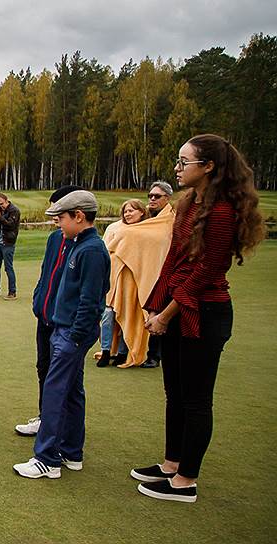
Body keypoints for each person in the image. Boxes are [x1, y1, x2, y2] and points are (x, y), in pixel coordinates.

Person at [132, 134, 264, 502]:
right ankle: (172, 464)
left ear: (208, 167)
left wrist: (167, 314)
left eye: (183, 162)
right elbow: (174, 261)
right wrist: (154, 307)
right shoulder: (189, 203)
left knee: (195, 399)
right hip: (176, 309)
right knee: (174, 393)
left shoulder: (221, 211)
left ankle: (186, 480)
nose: (177, 168)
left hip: (203, 314)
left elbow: (204, 272)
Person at [13, 190, 109, 479]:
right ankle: (71, 452)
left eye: (62, 218)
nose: (58, 224)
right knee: (71, 392)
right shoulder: (77, 243)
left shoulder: (91, 250)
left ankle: (47, 460)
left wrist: (76, 336)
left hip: (71, 333)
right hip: (63, 328)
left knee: (55, 392)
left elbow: (91, 301)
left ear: (79, 216)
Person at [14, 185, 81, 437]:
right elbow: (46, 274)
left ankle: (62, 427)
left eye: (59, 210)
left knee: (64, 378)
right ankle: (46, 417)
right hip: (45, 316)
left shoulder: (82, 244)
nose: (54, 215)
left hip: (64, 321)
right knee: (43, 367)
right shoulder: (55, 238)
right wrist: (37, 300)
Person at [96, 199, 147, 368]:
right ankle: (106, 350)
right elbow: (105, 249)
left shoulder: (147, 231)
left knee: (128, 315)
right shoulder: (114, 228)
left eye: (132, 210)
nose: (128, 214)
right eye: (125, 211)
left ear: (141, 212)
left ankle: (123, 353)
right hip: (113, 278)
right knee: (108, 315)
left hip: (133, 281)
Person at [139, 181, 174, 368]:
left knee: (159, 310)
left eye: (157, 196)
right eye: (150, 196)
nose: (152, 199)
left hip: (164, 271)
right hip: (145, 269)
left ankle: (155, 355)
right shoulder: (145, 217)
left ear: (167, 198)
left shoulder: (171, 219)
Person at [0, 193, 21, 300]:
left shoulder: (14, 211)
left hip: (8, 243)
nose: (0, 206)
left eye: (1, 204)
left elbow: (10, 225)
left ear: (6, 200)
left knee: (8, 267)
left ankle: (12, 291)